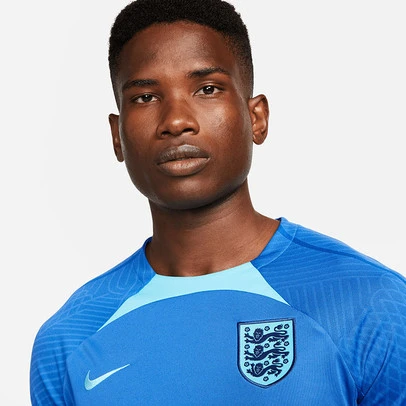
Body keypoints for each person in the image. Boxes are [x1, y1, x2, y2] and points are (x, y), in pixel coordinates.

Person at [30, 0, 406, 404]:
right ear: (117, 135)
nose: (176, 121)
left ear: (256, 117)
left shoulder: (369, 303)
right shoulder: (70, 340)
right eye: (145, 97)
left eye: (207, 89)